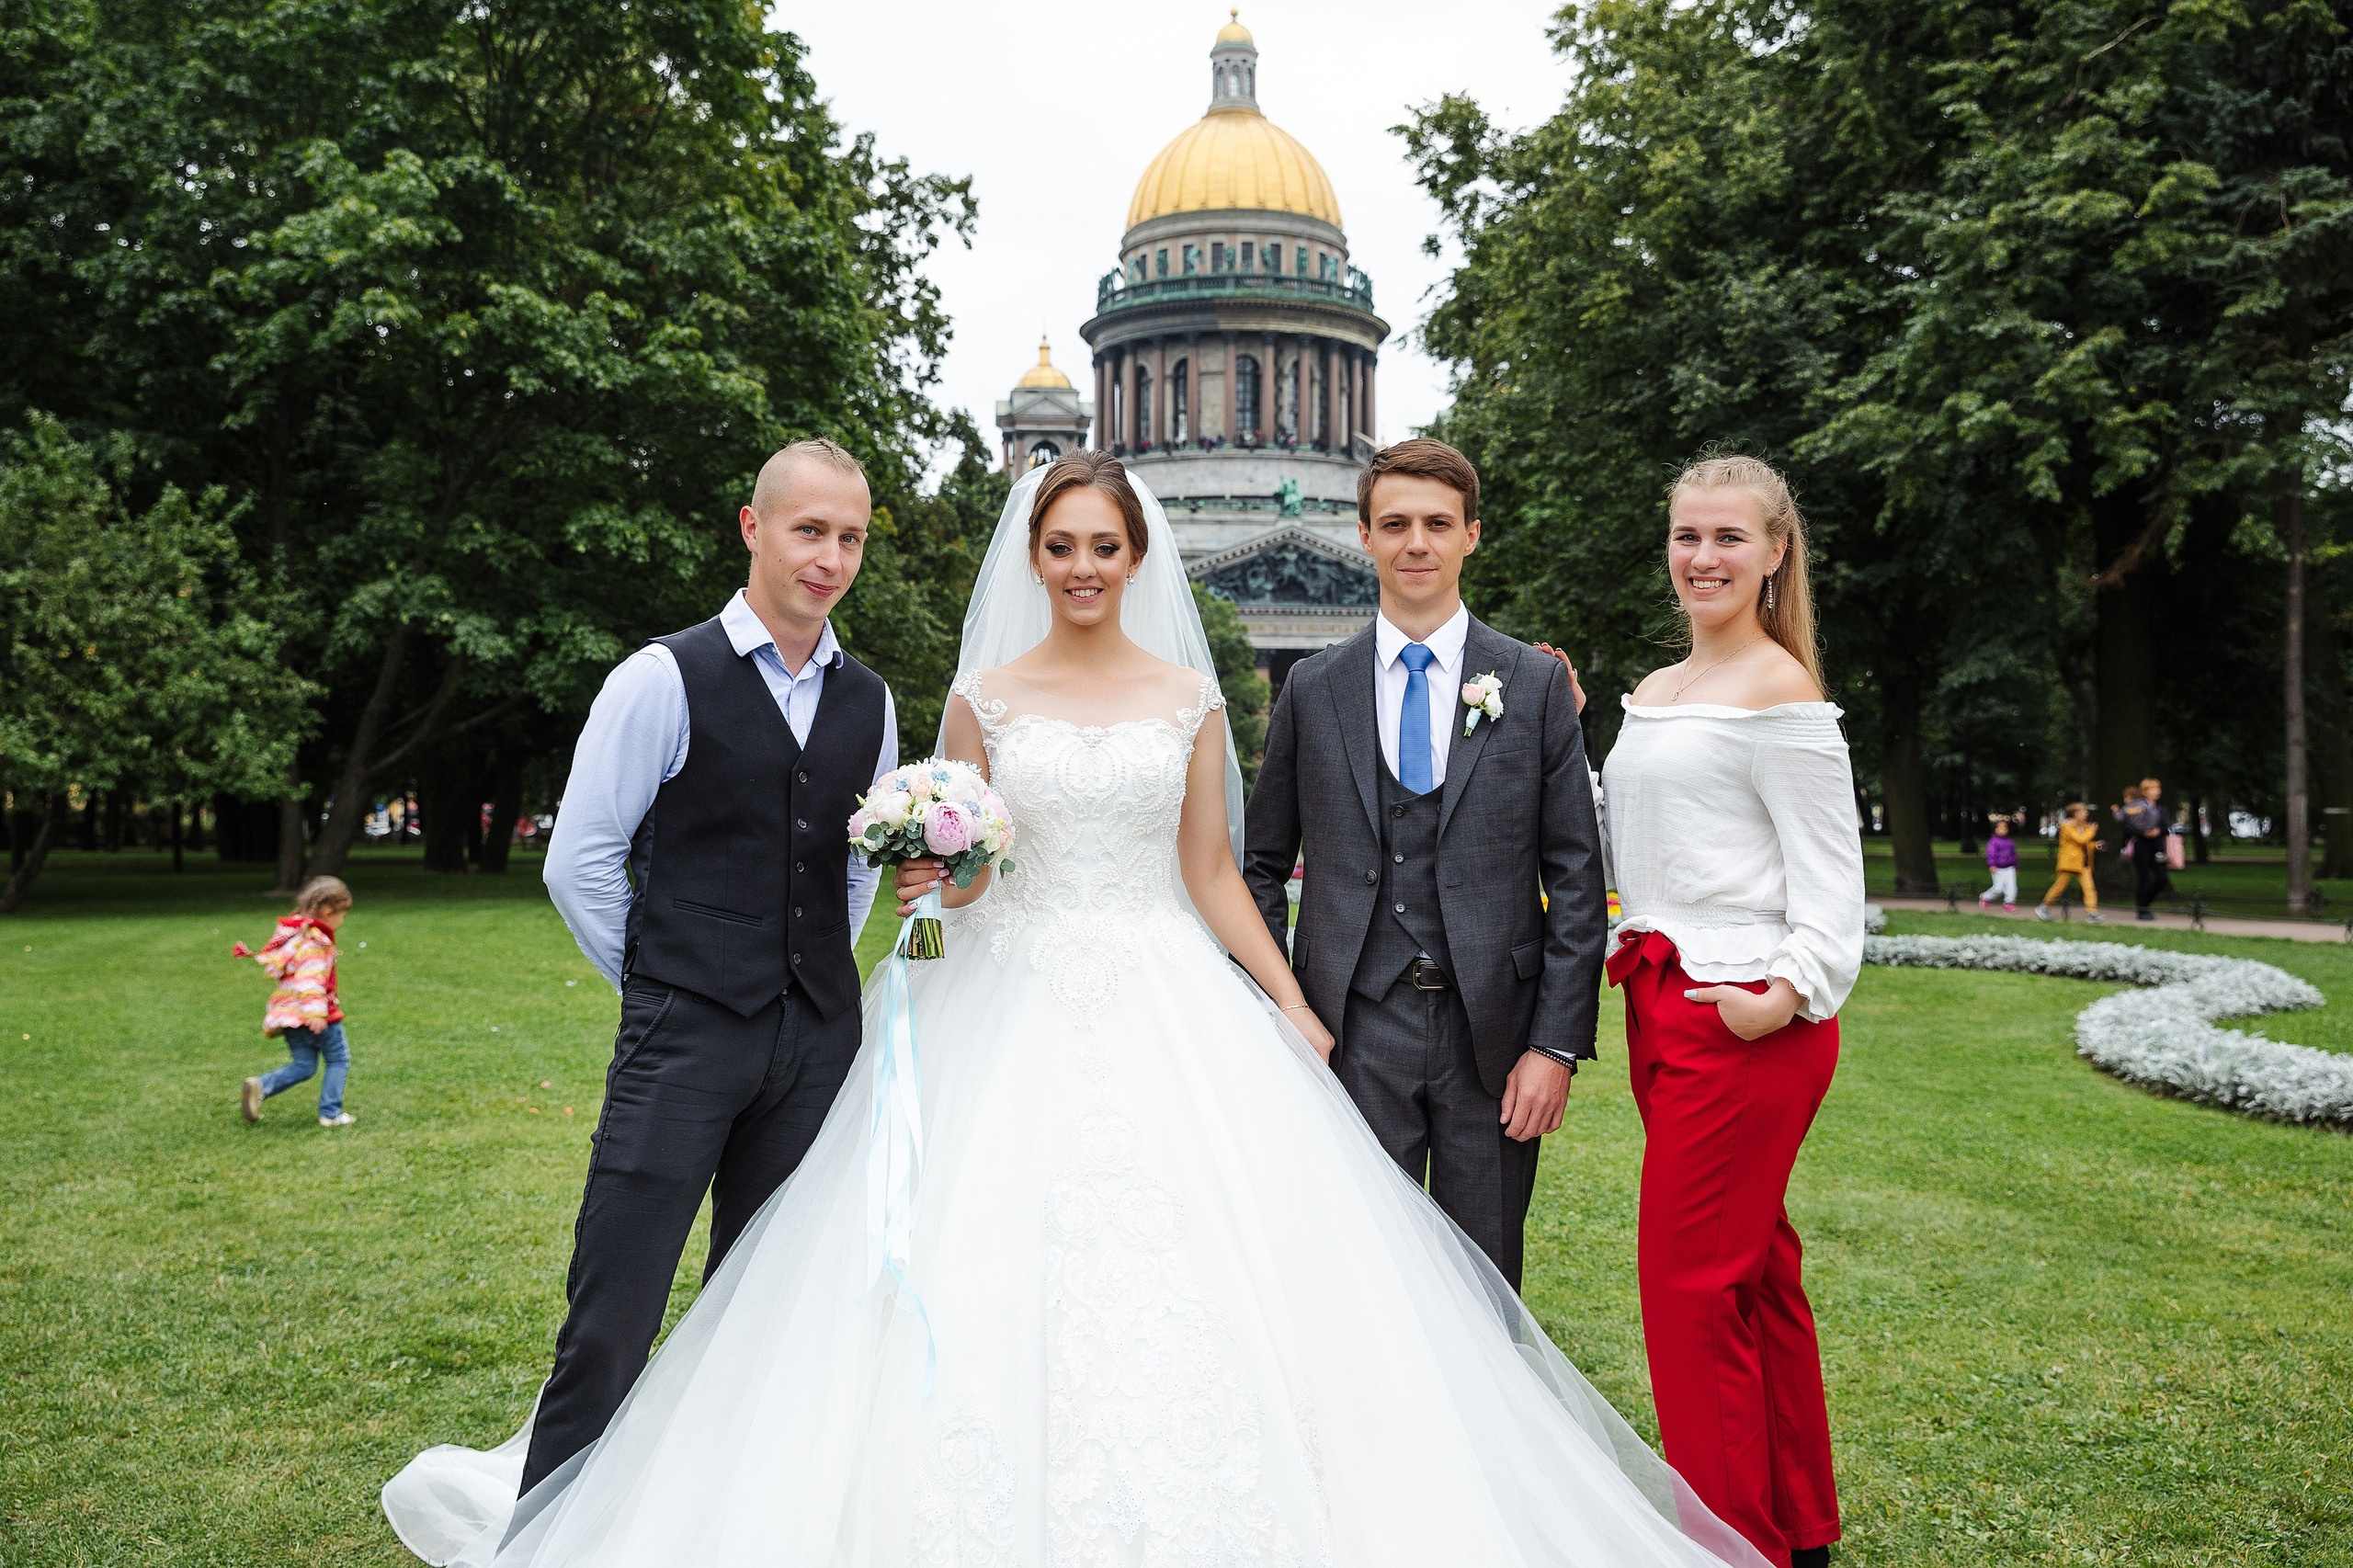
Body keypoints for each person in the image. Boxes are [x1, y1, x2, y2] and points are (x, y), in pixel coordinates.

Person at [383, 453, 1771, 1568]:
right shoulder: (973, 698)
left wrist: (1288, 999)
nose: (1087, 567)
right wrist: (942, 877)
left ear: (1139, 557)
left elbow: (1217, 873)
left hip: (1168, 996)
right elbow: (970, 876)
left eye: (1108, 547)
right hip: (1008, 993)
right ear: (1034, 559)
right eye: (1063, 547)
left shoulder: (1191, 697)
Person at [514, 438, 900, 1501]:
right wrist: (662, 979)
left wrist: (809, 972)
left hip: (816, 1041)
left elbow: (852, 871)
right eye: (809, 529)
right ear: (753, 526)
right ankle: (550, 1527)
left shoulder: (870, 698)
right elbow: (579, 860)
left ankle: (730, 1517)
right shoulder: (662, 677)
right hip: (684, 1034)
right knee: (615, 1307)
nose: (829, 557)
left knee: (768, 1305)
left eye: (850, 536)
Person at [1243, 437, 1603, 1290]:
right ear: (1363, 535)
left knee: (1485, 1278)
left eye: (1438, 524)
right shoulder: (1312, 688)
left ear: (1471, 536)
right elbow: (1258, 863)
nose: (1417, 543)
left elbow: (1579, 878)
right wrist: (1285, 1008)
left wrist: (1554, 1046)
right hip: (1352, 1030)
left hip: (1499, 1040)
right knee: (1361, 1276)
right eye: (1395, 523)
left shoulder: (1533, 683)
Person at [1597, 454, 1862, 1568]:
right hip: (1661, 999)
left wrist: (1785, 995)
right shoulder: (1658, 688)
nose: (1702, 557)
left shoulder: (1781, 691)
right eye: (1685, 536)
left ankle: (1725, 1543)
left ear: (1774, 551)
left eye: (1727, 538)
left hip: (1743, 1014)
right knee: (1753, 1273)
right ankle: (1794, 1525)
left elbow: (1832, 880)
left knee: (1689, 1286)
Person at [236, 875, 358, 1128]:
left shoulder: (294, 936)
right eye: (342, 915)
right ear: (327, 912)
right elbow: (310, 979)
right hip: (313, 1014)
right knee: (338, 1060)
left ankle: (261, 1086)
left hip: (288, 1014)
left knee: (304, 1065)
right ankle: (331, 1113)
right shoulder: (313, 942)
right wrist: (316, 1013)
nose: (342, 921)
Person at [2037, 802, 2104, 922]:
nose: (2086, 814)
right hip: (2069, 862)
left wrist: (2096, 845)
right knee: (2059, 887)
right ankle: (2044, 907)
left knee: (2089, 888)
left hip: (2083, 863)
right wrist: (2091, 831)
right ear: (2075, 813)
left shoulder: (2083, 826)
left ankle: (2092, 912)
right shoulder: (2067, 826)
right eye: (2084, 811)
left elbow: (2086, 844)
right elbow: (2080, 839)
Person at [2120, 776, 2174, 920]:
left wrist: (2158, 830)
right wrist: (2143, 833)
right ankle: (2142, 910)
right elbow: (2126, 825)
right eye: (2153, 788)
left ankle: (2146, 903)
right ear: (2145, 791)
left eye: (2158, 788)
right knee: (2144, 878)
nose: (2157, 791)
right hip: (2141, 845)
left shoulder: (2161, 809)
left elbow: (2166, 825)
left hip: (2157, 846)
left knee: (2161, 878)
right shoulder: (2136, 807)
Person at [1979, 816, 2019, 913]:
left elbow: (2013, 855)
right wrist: (1992, 865)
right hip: (1998, 868)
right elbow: (1991, 854)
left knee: (2011, 887)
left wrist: (2015, 866)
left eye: (2005, 828)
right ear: (1996, 829)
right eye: (2000, 828)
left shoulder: (2010, 842)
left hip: (2009, 868)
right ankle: (1985, 897)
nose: (2003, 830)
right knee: (1998, 888)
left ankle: (2009, 903)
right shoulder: (1993, 842)